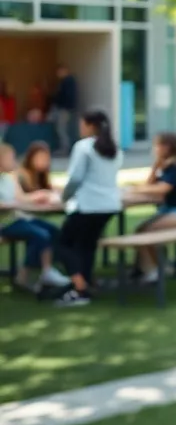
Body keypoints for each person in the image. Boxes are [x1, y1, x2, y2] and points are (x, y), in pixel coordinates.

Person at [56, 109, 123, 307]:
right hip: (109, 204)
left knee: (63, 244)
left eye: (82, 124)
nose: (80, 128)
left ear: (90, 125)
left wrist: (63, 197)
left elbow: (75, 178)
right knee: (87, 245)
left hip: (88, 204)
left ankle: (80, 287)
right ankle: (85, 282)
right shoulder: (114, 148)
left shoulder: (84, 147)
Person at [126, 132, 176, 284]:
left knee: (148, 231)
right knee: (141, 230)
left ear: (166, 147)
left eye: (157, 145)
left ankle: (154, 271)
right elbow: (150, 185)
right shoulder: (165, 166)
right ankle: (151, 267)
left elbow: (163, 189)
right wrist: (155, 167)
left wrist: (135, 189)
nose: (154, 149)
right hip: (171, 211)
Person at [0, 142, 71, 293]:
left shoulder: (8, 179)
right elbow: (11, 203)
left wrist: (38, 197)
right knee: (40, 235)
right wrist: (12, 204)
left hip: (17, 218)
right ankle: (36, 272)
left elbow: (21, 199)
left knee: (53, 231)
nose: (14, 161)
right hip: (5, 223)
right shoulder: (15, 176)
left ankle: (48, 269)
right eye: (10, 158)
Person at [51, 65, 77, 156]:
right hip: (64, 108)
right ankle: (63, 148)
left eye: (60, 71)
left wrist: (59, 103)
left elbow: (65, 96)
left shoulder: (68, 82)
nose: (58, 74)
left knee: (62, 129)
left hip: (65, 109)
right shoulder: (65, 82)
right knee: (61, 128)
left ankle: (65, 149)